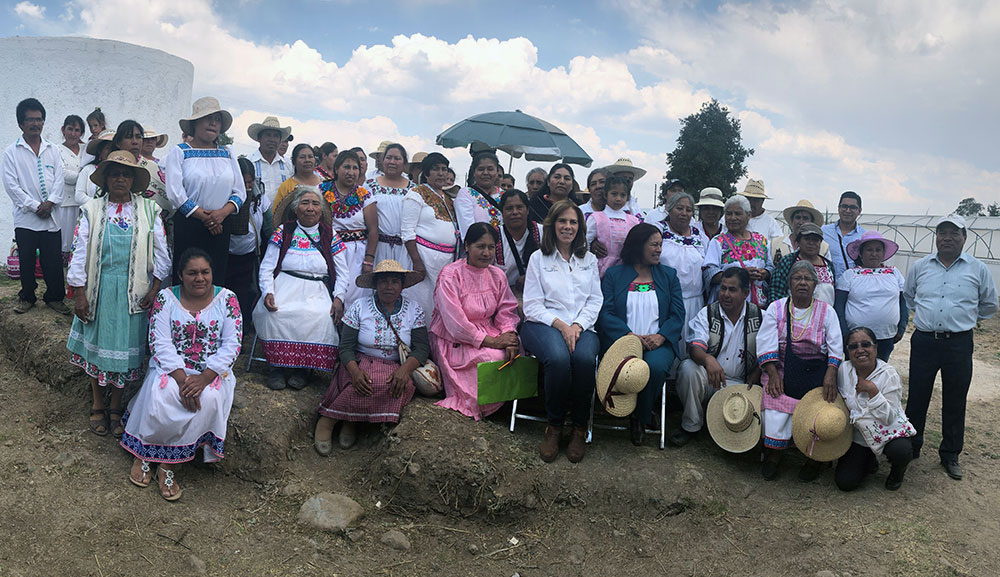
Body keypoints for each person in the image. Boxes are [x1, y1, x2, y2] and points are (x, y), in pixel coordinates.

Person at [121, 248, 243, 502]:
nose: (199, 278)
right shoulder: (166, 298)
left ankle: (168, 466)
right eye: (192, 273)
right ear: (180, 276)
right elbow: (159, 342)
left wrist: (204, 378)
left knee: (208, 399)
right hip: (170, 369)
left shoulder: (227, 298)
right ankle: (144, 453)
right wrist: (181, 378)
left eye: (205, 272)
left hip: (211, 372)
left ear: (212, 273)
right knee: (162, 394)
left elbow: (232, 344)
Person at [67, 151, 169, 438]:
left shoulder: (150, 210)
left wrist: (155, 287)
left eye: (126, 174)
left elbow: (161, 251)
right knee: (98, 352)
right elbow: (79, 253)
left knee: (123, 356)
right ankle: (98, 403)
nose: (120, 179)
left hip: (133, 294)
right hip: (98, 291)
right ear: (106, 178)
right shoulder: (92, 209)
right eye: (114, 173)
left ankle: (115, 406)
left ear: (134, 179)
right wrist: (79, 294)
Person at [903, 214, 998, 480]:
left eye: (954, 233)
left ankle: (950, 454)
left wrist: (963, 319)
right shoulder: (920, 266)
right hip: (924, 341)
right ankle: (911, 446)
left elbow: (989, 304)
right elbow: (909, 296)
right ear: (936, 237)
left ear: (964, 238)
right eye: (942, 232)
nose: (947, 237)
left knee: (955, 400)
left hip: (958, 343)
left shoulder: (977, 269)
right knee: (917, 396)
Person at [315, 260, 429, 452]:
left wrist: (404, 370)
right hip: (360, 362)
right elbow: (345, 348)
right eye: (383, 281)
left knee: (399, 384)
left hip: (395, 366)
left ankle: (352, 420)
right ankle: (329, 421)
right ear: (375, 284)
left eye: (395, 281)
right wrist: (354, 371)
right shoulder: (360, 307)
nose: (389, 286)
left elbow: (422, 348)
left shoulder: (414, 309)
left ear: (402, 285)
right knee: (363, 382)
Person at [522, 200, 603, 463]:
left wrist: (577, 326)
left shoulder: (588, 260)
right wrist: (562, 326)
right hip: (543, 324)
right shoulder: (538, 258)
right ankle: (554, 426)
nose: (567, 227)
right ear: (552, 225)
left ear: (580, 227)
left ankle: (579, 428)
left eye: (573, 222)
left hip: (583, 325)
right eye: (562, 221)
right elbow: (532, 305)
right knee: (558, 359)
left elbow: (595, 300)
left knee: (583, 360)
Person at [253, 187, 350, 390]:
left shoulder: (329, 234)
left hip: (317, 289)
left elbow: (343, 272)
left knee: (318, 315)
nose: (310, 208)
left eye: (315, 204)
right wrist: (268, 291)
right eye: (305, 203)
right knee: (272, 313)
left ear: (321, 211)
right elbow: (267, 266)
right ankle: (276, 367)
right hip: (284, 285)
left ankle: (303, 369)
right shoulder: (284, 231)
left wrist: (339, 297)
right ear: (296, 209)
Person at [598, 224, 685, 445]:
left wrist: (662, 336)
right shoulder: (614, 275)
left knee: (653, 368)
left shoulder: (668, 276)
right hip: (623, 342)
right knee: (627, 368)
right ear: (639, 246)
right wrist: (629, 336)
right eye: (654, 245)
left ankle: (639, 416)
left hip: (658, 343)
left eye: (661, 245)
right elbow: (605, 313)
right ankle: (625, 409)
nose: (659, 250)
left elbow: (677, 314)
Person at [756, 260, 844, 480]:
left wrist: (831, 373)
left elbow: (835, 346)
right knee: (775, 399)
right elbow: (765, 342)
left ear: (815, 285)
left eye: (807, 279)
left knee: (822, 413)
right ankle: (774, 454)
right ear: (790, 282)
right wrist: (773, 373)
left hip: (817, 372)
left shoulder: (827, 311)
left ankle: (815, 458)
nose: (802, 282)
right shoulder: (776, 308)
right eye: (797, 278)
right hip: (782, 368)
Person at [431, 223, 520, 420]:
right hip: (457, 338)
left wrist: (509, 335)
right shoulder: (450, 275)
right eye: (480, 246)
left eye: (490, 247)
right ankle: (489, 406)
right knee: (491, 358)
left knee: (515, 351)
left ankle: (501, 403)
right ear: (467, 246)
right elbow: (455, 323)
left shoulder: (497, 275)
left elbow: (507, 309)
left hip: (489, 330)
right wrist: (493, 341)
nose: (486, 253)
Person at [677, 268, 762, 445]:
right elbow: (694, 348)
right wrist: (708, 359)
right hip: (710, 380)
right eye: (723, 288)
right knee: (688, 369)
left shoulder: (760, 316)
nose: (725, 294)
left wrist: (757, 375)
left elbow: (769, 354)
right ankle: (691, 425)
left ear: (746, 293)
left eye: (732, 290)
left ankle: (727, 430)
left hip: (741, 384)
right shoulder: (707, 313)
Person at [164, 97, 245, 284]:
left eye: (217, 119)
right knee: (188, 279)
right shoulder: (180, 152)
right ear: (194, 124)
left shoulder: (228, 152)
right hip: (189, 224)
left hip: (221, 226)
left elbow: (240, 192)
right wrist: (207, 218)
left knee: (215, 279)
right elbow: (175, 193)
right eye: (208, 118)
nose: (213, 123)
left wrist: (221, 214)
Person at [2, 98, 68, 315]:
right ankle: (27, 296)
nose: (35, 124)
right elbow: (12, 186)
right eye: (30, 119)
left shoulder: (53, 149)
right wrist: (35, 206)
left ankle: (55, 297)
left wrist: (50, 203)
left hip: (51, 216)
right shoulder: (11, 152)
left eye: (39, 119)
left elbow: (60, 179)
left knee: (52, 260)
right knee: (27, 260)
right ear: (21, 123)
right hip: (26, 217)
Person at [835, 327, 915, 492]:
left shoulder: (889, 375)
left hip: (886, 433)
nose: (860, 350)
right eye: (853, 346)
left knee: (901, 450)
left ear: (875, 348)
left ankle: (897, 472)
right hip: (858, 436)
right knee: (845, 483)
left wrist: (873, 391)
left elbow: (889, 418)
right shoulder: (844, 370)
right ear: (848, 351)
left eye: (866, 344)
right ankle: (869, 459)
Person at [401, 152, 460, 317]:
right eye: (435, 169)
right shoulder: (415, 194)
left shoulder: (447, 199)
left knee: (440, 305)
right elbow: (407, 232)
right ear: (426, 173)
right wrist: (417, 262)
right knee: (421, 303)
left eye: (444, 169)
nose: (441, 173)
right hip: (423, 258)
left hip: (446, 261)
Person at [834, 231, 907, 361]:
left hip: (886, 337)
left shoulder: (894, 273)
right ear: (861, 253)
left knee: (879, 373)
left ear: (883, 253)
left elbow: (903, 302)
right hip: (856, 338)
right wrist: (845, 333)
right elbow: (839, 305)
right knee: (855, 373)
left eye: (878, 250)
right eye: (869, 250)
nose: (874, 254)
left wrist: (901, 327)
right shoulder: (850, 275)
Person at [319, 150, 379, 307]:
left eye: (355, 168)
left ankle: (349, 330)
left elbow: (373, 230)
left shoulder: (364, 194)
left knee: (354, 297)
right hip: (327, 250)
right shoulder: (321, 190)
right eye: (346, 167)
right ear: (337, 169)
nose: (351, 172)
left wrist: (369, 260)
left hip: (356, 255)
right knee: (328, 293)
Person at [702, 195, 772, 308]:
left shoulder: (762, 241)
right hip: (727, 304)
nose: (732, 218)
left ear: (748, 215)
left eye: (738, 214)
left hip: (756, 304)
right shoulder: (718, 241)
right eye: (729, 214)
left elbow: (770, 267)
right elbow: (709, 272)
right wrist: (740, 275)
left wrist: (765, 273)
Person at [650, 192, 706, 331]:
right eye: (679, 208)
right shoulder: (658, 230)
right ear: (669, 209)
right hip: (664, 300)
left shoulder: (699, 235)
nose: (684, 213)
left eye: (688, 210)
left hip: (695, 302)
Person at [226, 157, 270, 320]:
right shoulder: (225, 197)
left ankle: (244, 328)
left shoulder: (260, 199)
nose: (246, 187)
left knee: (246, 294)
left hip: (250, 257)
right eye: (242, 182)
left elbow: (268, 227)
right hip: (227, 257)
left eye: (250, 182)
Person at [365, 143, 413, 268]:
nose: (392, 162)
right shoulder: (369, 185)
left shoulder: (413, 189)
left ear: (404, 163)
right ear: (382, 160)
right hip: (378, 248)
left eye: (397, 158)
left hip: (404, 249)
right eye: (389, 157)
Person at [768, 223, 836, 305]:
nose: (811, 243)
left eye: (815, 240)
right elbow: (776, 291)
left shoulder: (828, 265)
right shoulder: (788, 261)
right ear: (798, 242)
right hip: (793, 315)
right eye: (807, 239)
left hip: (825, 315)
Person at [586, 176, 641, 278]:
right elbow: (586, 242)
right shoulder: (596, 218)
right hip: (599, 269)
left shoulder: (633, 221)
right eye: (614, 194)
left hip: (625, 269)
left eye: (623, 195)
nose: (618, 199)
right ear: (606, 195)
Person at [111, 120, 171, 213]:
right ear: (118, 142)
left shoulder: (153, 167)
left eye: (138, 137)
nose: (135, 142)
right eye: (128, 137)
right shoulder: (109, 167)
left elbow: (167, 203)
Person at [497, 189, 540, 293]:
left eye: (519, 207)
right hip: (502, 296)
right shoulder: (494, 236)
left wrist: (529, 277)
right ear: (502, 212)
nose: (515, 212)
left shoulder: (542, 232)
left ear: (528, 210)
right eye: (509, 208)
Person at [55, 114, 86, 262]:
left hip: (85, 202)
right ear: (63, 130)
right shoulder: (56, 150)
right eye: (70, 129)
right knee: (65, 240)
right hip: (66, 203)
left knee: (82, 239)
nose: (73, 134)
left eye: (77, 130)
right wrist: (84, 176)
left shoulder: (86, 149)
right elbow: (62, 174)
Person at [455, 151, 503, 242]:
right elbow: (467, 229)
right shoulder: (466, 194)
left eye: (490, 169)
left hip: (503, 251)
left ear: (497, 172)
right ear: (474, 172)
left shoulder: (504, 196)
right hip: (476, 249)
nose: (485, 173)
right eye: (480, 169)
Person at [247, 116, 292, 203]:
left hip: (282, 215)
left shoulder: (288, 165)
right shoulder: (249, 163)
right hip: (255, 214)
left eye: (275, 136)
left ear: (279, 140)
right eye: (268, 135)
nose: (272, 140)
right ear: (259, 138)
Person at [822, 191, 867, 278]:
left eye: (853, 207)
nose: (848, 210)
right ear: (838, 208)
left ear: (859, 211)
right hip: (829, 286)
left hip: (853, 287)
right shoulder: (824, 232)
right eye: (844, 206)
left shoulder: (864, 236)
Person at [273, 143, 322, 208]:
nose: (307, 160)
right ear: (294, 161)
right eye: (302, 157)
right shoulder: (286, 187)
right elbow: (277, 214)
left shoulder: (326, 184)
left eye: (310, 157)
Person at [75, 130, 114, 205]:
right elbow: (79, 196)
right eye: (107, 148)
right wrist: (100, 204)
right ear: (100, 151)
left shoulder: (120, 172)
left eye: (113, 148)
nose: (110, 151)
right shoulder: (88, 169)